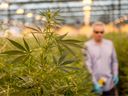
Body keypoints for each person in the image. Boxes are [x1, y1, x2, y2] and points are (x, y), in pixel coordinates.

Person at [83, 22, 119, 96]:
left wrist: (115, 74)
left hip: (108, 81)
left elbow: (114, 61)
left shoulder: (109, 44)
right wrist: (94, 83)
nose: (99, 34)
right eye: (96, 32)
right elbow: (87, 65)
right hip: (93, 82)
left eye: (101, 32)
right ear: (93, 32)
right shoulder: (87, 45)